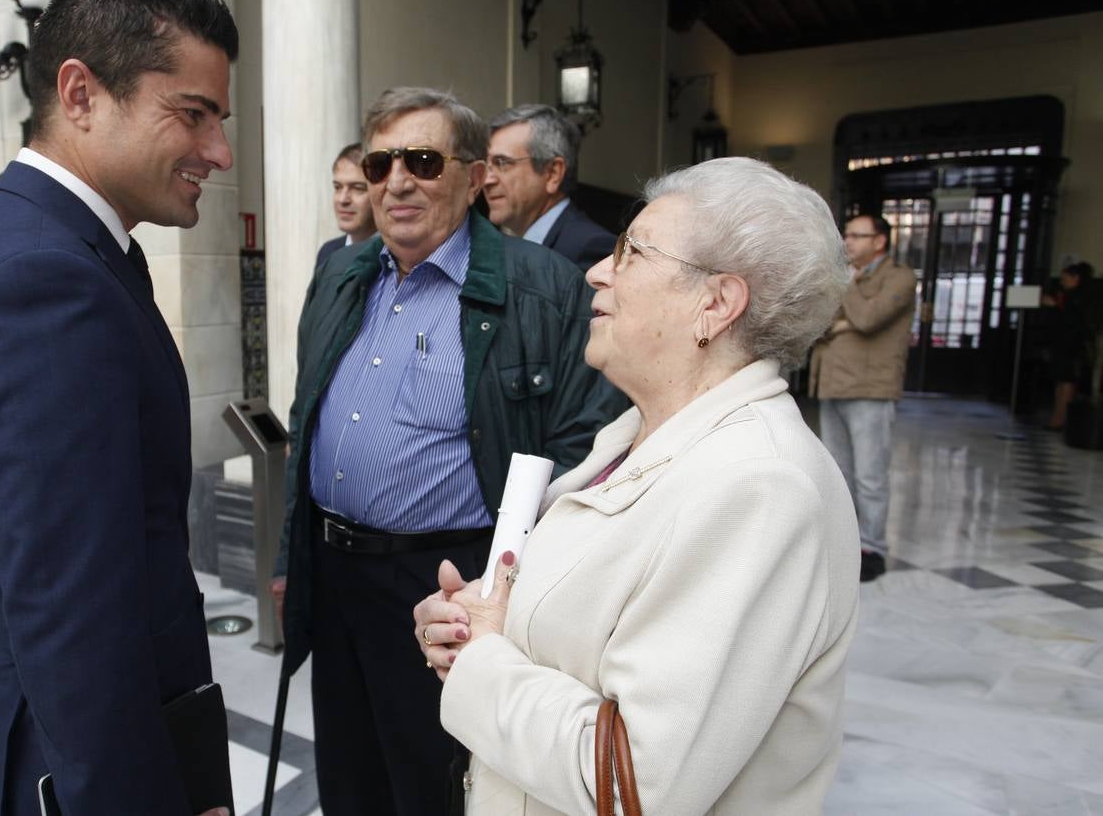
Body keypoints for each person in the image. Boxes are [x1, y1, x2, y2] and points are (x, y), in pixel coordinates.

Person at [414, 157, 860, 815]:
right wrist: (478, 626)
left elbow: (637, 784)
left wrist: (481, 664)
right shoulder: (632, 436)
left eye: (631, 252)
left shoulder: (760, 488)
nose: (596, 271)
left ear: (716, 303)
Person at [0, 0, 236, 815]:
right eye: (192, 114)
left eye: (220, 120)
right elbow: (72, 615)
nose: (219, 152)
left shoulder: (59, 250)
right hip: (82, 761)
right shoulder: (40, 281)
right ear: (81, 93)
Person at [275, 86, 624, 816]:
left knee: (433, 779)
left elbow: (581, 454)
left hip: (443, 583)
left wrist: (508, 593)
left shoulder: (545, 290)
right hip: (336, 573)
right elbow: (304, 422)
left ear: (471, 179)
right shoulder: (341, 276)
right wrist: (291, 556)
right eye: (379, 165)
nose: (397, 181)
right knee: (349, 770)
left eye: (423, 161)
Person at [809, 212, 917, 582]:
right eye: (846, 234)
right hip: (832, 382)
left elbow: (870, 319)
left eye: (856, 235)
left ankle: (872, 548)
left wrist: (850, 293)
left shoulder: (900, 277)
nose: (847, 242)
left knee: (871, 474)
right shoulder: (844, 278)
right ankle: (845, 542)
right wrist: (840, 325)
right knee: (839, 471)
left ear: (880, 241)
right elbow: (820, 324)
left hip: (871, 387)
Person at [483, 103, 614, 271]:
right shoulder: (512, 248)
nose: (487, 180)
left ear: (553, 173)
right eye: (486, 165)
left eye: (502, 163)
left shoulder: (589, 249)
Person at [1049, 261, 1096, 429]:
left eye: (1065, 278)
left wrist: (1056, 305)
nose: (1062, 281)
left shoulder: (1079, 298)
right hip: (1062, 343)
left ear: (1075, 278)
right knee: (1060, 380)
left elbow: (1075, 321)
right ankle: (1057, 416)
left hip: (1072, 344)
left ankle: (1061, 419)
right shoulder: (1068, 295)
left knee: (1067, 380)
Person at [316, 142, 376, 268]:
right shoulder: (328, 252)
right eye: (337, 187)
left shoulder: (397, 258)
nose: (343, 199)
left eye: (358, 188)